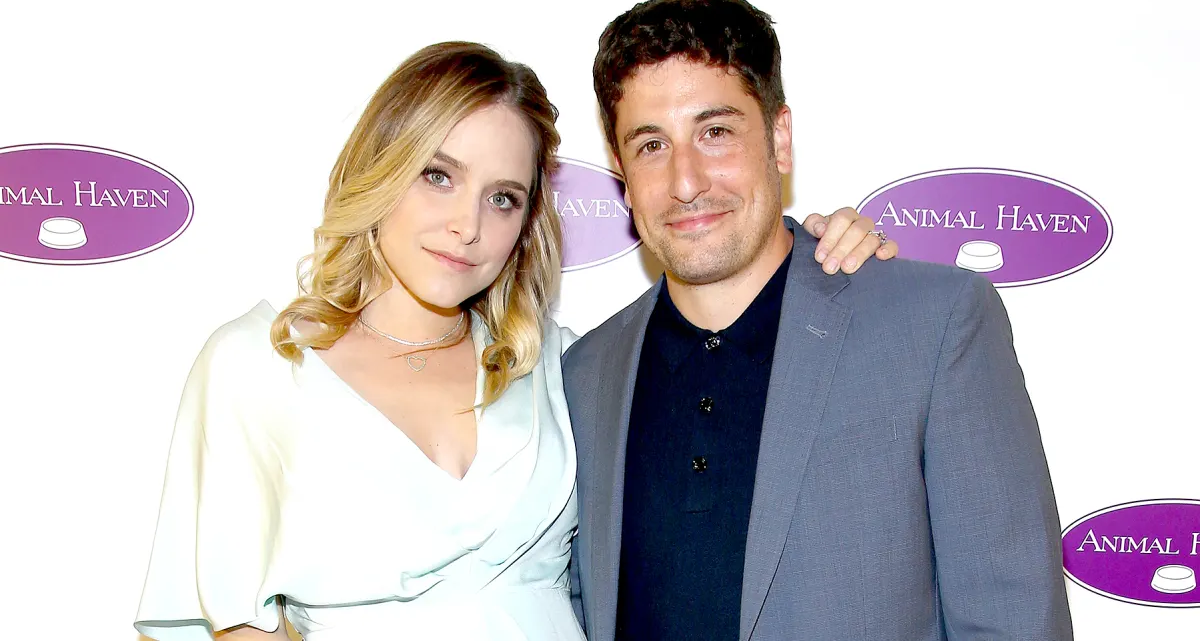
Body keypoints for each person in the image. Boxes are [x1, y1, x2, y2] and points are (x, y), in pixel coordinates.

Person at [133, 41, 894, 640]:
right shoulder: (262, 366)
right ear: (381, 168)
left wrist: (823, 251)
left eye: (503, 197)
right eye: (438, 176)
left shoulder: (558, 366)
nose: (469, 226)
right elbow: (228, 622)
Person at [563, 0, 1073, 641]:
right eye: (651, 145)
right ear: (620, 171)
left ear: (779, 138)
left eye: (715, 132)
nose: (686, 181)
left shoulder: (934, 324)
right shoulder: (583, 374)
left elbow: (1015, 620)